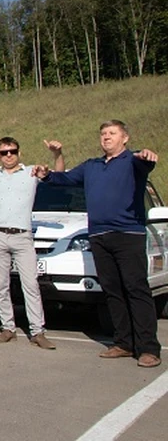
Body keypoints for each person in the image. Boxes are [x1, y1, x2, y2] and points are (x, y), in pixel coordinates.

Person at [33, 121, 161, 368]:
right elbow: (65, 180)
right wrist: (46, 174)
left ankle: (148, 348)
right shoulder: (91, 166)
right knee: (112, 291)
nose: (106, 137)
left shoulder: (133, 161)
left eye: (112, 133)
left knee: (136, 289)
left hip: (128, 234)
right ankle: (123, 343)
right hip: (99, 235)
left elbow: (147, 161)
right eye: (103, 134)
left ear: (124, 138)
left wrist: (147, 155)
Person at [0, 138, 63, 350]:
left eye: (12, 151)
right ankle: (7, 328)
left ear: (19, 152)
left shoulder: (31, 172)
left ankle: (38, 331)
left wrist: (57, 154)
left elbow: (59, 175)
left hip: (23, 236)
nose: (9, 155)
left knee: (31, 285)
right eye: (4, 152)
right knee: (1, 286)